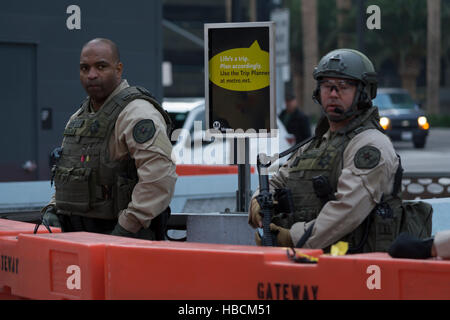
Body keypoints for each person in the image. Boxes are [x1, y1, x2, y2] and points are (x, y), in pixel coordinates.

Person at [248, 48, 404, 253]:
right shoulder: (316, 143)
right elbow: (278, 180)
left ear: (364, 93)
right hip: (310, 263)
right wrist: (258, 201)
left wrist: (291, 237)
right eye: (326, 86)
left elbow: (346, 211)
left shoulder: (370, 145)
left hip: (355, 266)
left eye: (343, 86)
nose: (332, 93)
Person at [38, 38, 177, 240]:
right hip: (78, 238)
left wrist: (126, 228)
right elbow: (68, 172)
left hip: (123, 239)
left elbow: (159, 177)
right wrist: (53, 208)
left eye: (101, 66)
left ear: (118, 69)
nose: (92, 75)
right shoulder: (78, 118)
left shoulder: (138, 114)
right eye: (85, 68)